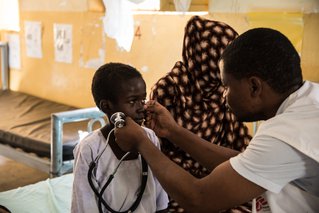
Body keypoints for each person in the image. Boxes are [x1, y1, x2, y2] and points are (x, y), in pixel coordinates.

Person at [114, 28, 319, 213]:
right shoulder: (308, 102)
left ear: (254, 87)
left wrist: (142, 142)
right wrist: (173, 131)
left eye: (226, 86)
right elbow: (244, 163)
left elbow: (199, 198)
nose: (223, 95)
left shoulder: (285, 134)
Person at [150, 15, 252, 212]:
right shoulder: (168, 89)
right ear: (206, 55)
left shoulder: (224, 92)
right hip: (176, 185)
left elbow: (240, 151)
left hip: (219, 175)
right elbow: (156, 152)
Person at [71, 62, 169, 213]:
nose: (141, 108)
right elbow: (83, 204)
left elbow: (160, 200)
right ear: (107, 107)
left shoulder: (150, 137)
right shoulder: (90, 148)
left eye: (142, 100)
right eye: (132, 101)